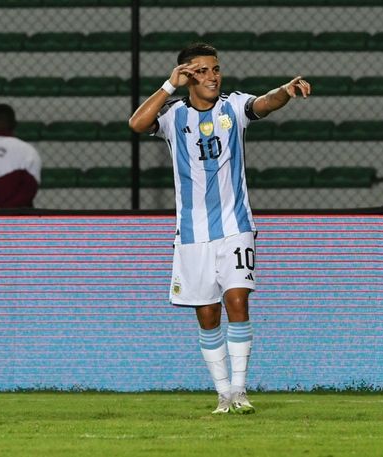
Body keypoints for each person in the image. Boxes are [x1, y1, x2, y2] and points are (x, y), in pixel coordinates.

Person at [129, 43, 310, 414]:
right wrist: (169, 85)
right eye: (202, 71)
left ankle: (240, 391)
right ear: (187, 75)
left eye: (215, 69)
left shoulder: (233, 106)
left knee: (237, 300)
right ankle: (223, 394)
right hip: (192, 234)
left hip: (235, 225)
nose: (212, 77)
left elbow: (264, 104)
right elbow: (137, 124)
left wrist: (285, 91)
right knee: (208, 315)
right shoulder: (173, 114)